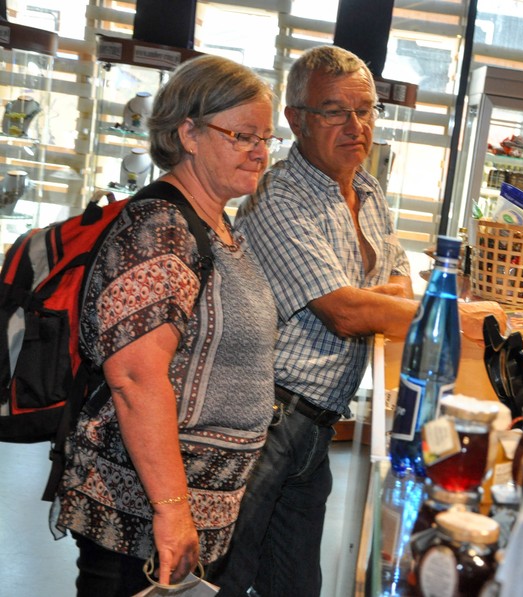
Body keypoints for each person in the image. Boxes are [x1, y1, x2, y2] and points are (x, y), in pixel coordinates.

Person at [210, 45, 506, 596]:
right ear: (296, 120)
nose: (356, 126)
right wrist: (451, 315)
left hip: (314, 426)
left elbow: (396, 287)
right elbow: (346, 312)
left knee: (295, 586)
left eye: (365, 110)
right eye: (334, 111)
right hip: (264, 421)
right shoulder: (279, 195)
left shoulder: (367, 190)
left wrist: (376, 301)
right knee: (221, 577)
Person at [51, 54, 280, 596]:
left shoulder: (214, 221)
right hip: (139, 516)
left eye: (266, 138)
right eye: (243, 136)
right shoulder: (161, 227)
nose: (261, 152)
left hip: (193, 511)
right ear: (189, 134)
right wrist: (173, 510)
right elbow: (135, 378)